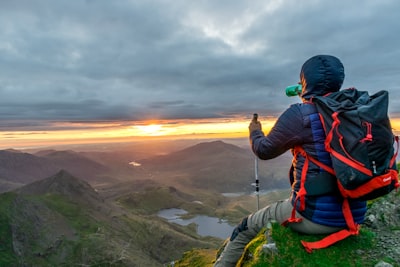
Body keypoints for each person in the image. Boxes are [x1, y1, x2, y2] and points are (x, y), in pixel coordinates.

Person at [213, 55, 367, 267]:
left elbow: (264, 150)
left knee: (245, 226)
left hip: (316, 218)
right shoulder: (357, 111)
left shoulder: (301, 114)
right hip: (357, 212)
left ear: (305, 81)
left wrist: (255, 132)